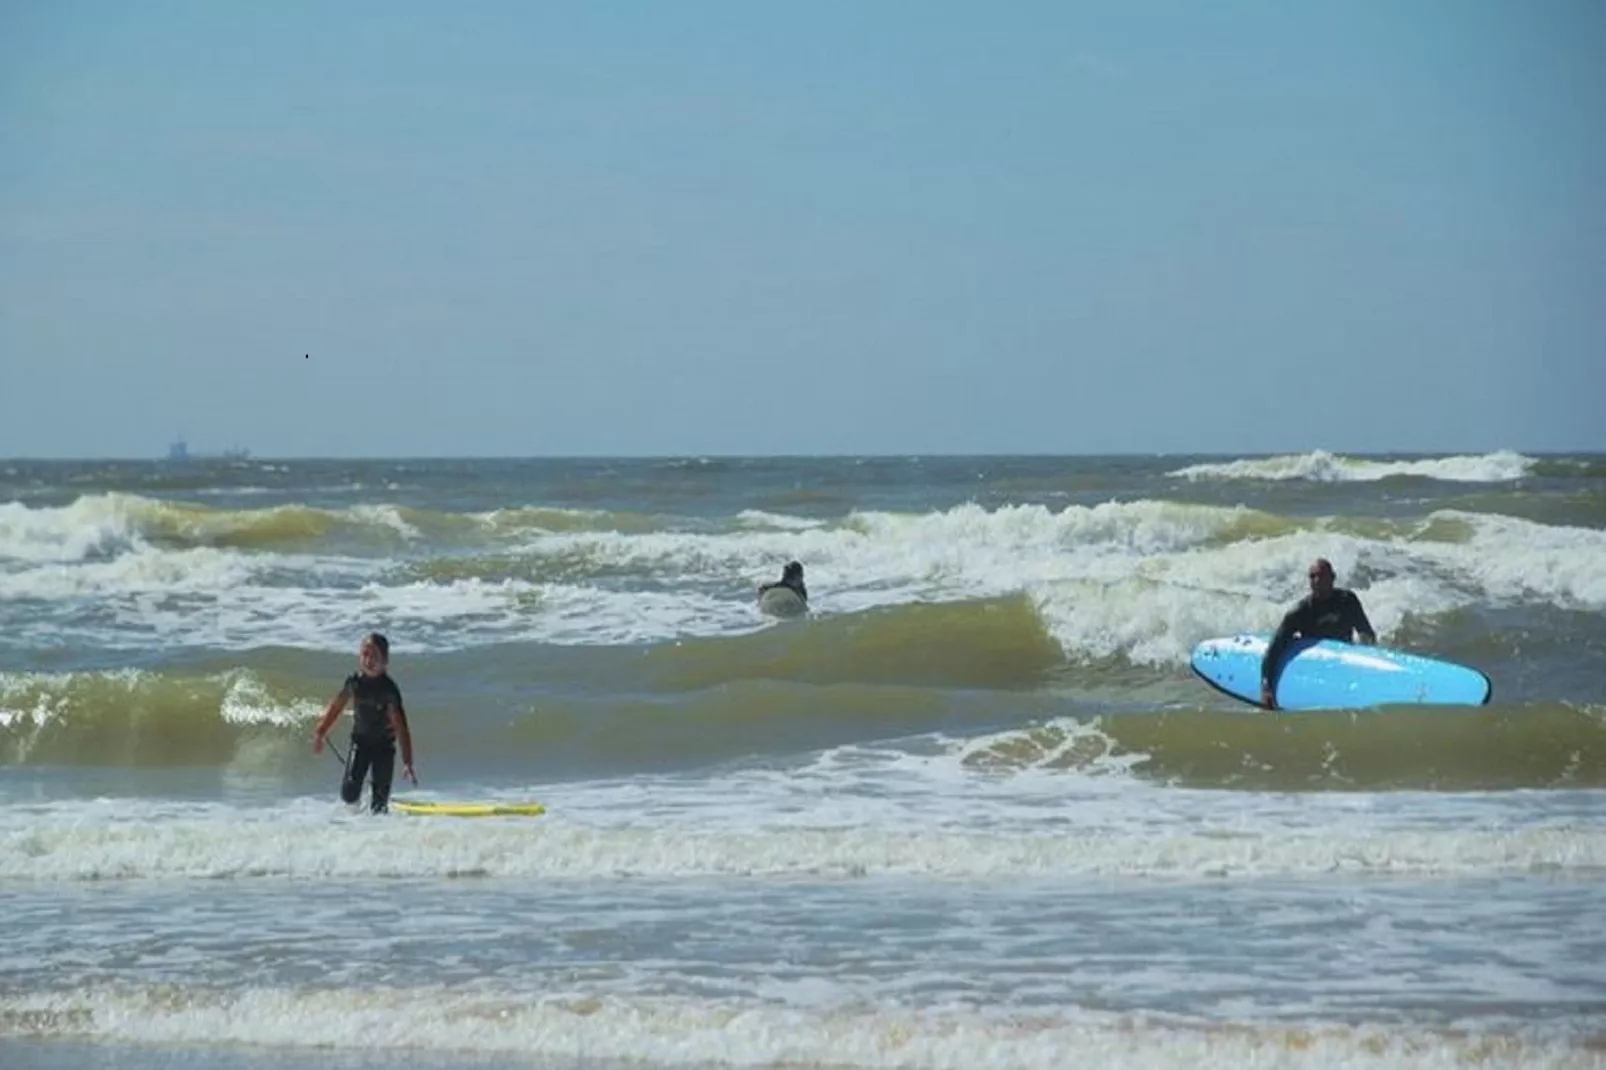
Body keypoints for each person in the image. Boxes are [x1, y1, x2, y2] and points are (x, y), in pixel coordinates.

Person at [313, 632, 416, 812]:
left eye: (374, 656)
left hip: (384, 748)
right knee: (349, 793)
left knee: (379, 805)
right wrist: (321, 731)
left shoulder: (389, 690)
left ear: (385, 661)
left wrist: (407, 762)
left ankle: (374, 833)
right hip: (360, 743)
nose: (368, 660)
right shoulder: (354, 683)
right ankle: (355, 823)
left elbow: (401, 727)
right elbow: (337, 706)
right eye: (365, 654)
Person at [1260, 558, 1377, 710]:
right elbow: (1274, 649)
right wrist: (1266, 688)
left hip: (1344, 662)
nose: (1316, 580)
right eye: (1312, 576)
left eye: (1321, 576)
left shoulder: (1348, 601)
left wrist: (1368, 664)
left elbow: (1367, 634)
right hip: (1315, 667)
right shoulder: (1300, 612)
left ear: (1333, 577)